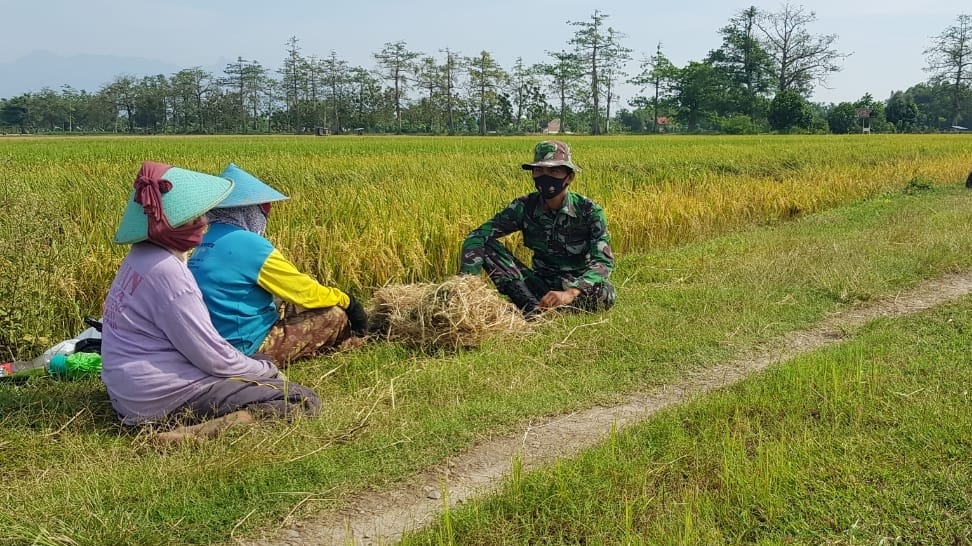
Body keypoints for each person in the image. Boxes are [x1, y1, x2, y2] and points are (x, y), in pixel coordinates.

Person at [101, 161, 321, 443]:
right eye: (192, 218)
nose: (203, 223)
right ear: (169, 225)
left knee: (257, 362)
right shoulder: (169, 273)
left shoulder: (140, 258)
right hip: (162, 398)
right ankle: (195, 434)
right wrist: (267, 373)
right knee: (299, 399)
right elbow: (212, 356)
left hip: (131, 393)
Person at [188, 163, 368, 366]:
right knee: (334, 315)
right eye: (264, 209)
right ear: (249, 211)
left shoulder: (203, 240)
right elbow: (302, 291)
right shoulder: (250, 245)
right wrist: (347, 301)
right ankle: (350, 343)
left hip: (212, 341)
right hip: (243, 347)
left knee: (283, 304)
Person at [459, 140, 616, 317]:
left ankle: (551, 307)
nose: (545, 176)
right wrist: (466, 286)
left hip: (575, 285)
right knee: (486, 245)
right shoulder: (524, 207)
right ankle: (532, 306)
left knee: (605, 294)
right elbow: (478, 235)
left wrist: (570, 292)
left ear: (569, 177)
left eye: (554, 170)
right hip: (538, 282)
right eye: (539, 170)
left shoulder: (589, 211)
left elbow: (603, 263)